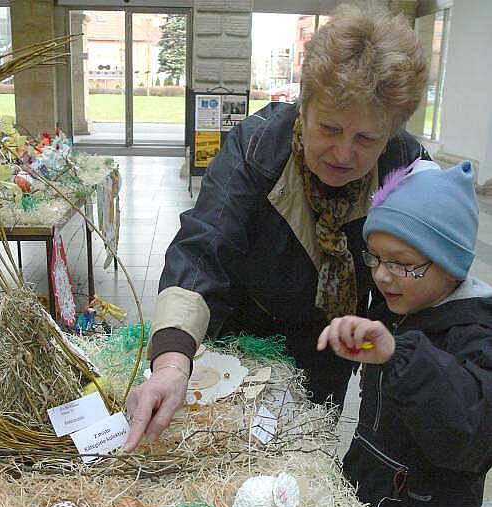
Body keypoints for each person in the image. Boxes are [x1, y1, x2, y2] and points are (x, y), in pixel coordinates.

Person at [124, 4, 429, 451]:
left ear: (391, 133)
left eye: (367, 138)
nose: (344, 153)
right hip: (239, 340)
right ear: (302, 107)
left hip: (330, 349)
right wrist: (171, 365)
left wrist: (383, 354)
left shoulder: (405, 165)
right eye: (329, 128)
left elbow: (422, 285)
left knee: (303, 453)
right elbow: (203, 248)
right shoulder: (258, 146)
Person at [317, 159, 492, 507]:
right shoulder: (410, 307)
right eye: (377, 260)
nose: (384, 276)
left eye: (405, 264)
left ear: (450, 262)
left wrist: (401, 355)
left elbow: (469, 433)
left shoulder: (475, 331)